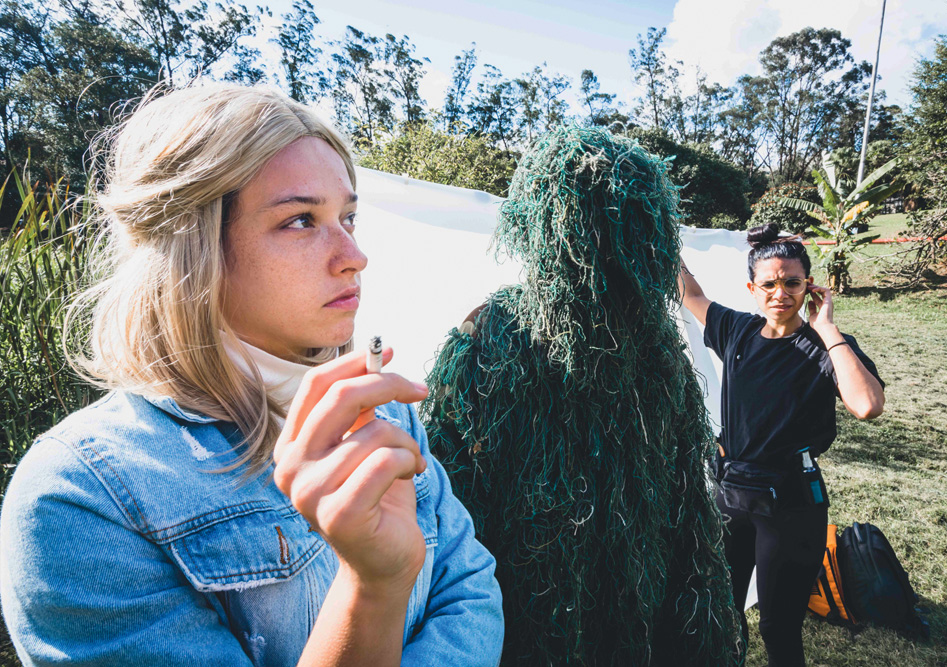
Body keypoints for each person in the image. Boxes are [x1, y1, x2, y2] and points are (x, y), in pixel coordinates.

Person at [0, 82, 503, 667]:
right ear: (194, 247)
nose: (354, 255)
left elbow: (470, 591)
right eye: (299, 220)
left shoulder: (387, 412)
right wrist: (373, 589)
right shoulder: (82, 494)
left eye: (349, 217)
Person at [421, 126, 744, 666]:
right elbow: (452, 497)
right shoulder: (494, 338)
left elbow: (686, 502)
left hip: (627, 593)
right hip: (527, 601)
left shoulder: (658, 353)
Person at [677, 222, 885, 667]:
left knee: (778, 626)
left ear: (808, 286)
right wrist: (659, 236)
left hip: (791, 505)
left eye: (792, 283)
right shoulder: (737, 330)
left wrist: (827, 329)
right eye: (769, 284)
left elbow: (867, 405)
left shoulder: (825, 347)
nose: (780, 294)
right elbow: (690, 294)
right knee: (721, 613)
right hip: (731, 497)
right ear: (752, 288)